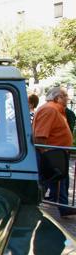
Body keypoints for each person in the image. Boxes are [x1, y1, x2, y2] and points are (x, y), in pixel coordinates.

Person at [33, 86, 75, 217]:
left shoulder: (55, 109)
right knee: (50, 180)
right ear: (58, 98)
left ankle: (64, 208)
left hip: (55, 154)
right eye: (65, 96)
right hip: (52, 154)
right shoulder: (50, 109)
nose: (68, 99)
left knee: (57, 181)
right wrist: (47, 154)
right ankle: (35, 206)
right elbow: (40, 136)